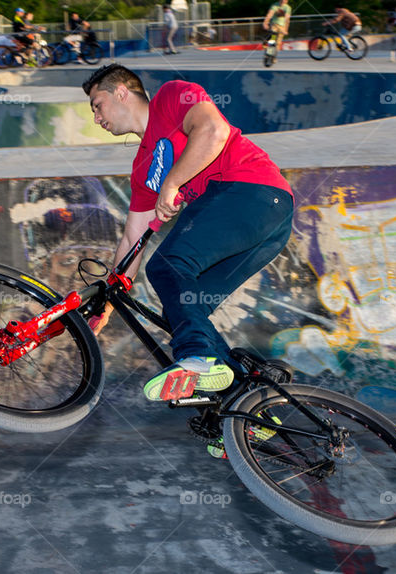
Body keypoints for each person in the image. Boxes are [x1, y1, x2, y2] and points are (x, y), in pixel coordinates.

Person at [82, 64, 294, 412]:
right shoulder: (143, 169)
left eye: (97, 104)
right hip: (263, 231)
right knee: (186, 302)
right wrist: (107, 300)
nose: (96, 118)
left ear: (121, 91)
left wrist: (173, 182)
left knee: (167, 266)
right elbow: (133, 238)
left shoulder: (170, 96)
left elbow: (214, 130)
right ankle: (247, 407)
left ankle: (197, 359)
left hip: (253, 192)